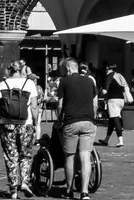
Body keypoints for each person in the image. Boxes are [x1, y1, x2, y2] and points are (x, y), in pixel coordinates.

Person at [0, 60, 39, 200]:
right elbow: (33, 107)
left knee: (10, 156)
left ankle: (13, 189)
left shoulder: (3, 84)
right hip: (25, 123)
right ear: (22, 69)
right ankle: (25, 182)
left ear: (10, 70)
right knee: (25, 155)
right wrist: (36, 124)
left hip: (7, 124)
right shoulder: (29, 84)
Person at [57, 58, 98, 199]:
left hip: (71, 122)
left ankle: (69, 190)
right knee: (85, 156)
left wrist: (58, 121)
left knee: (69, 157)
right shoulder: (90, 81)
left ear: (68, 69)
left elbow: (60, 106)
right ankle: (84, 191)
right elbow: (95, 105)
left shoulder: (64, 82)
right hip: (88, 122)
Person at [100, 62, 132, 146]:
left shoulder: (109, 76)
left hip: (113, 100)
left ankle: (120, 141)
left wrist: (100, 92)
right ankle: (106, 140)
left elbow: (105, 91)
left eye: (106, 69)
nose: (106, 71)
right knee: (112, 120)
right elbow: (125, 87)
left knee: (115, 119)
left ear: (109, 69)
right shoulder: (120, 76)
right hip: (121, 100)